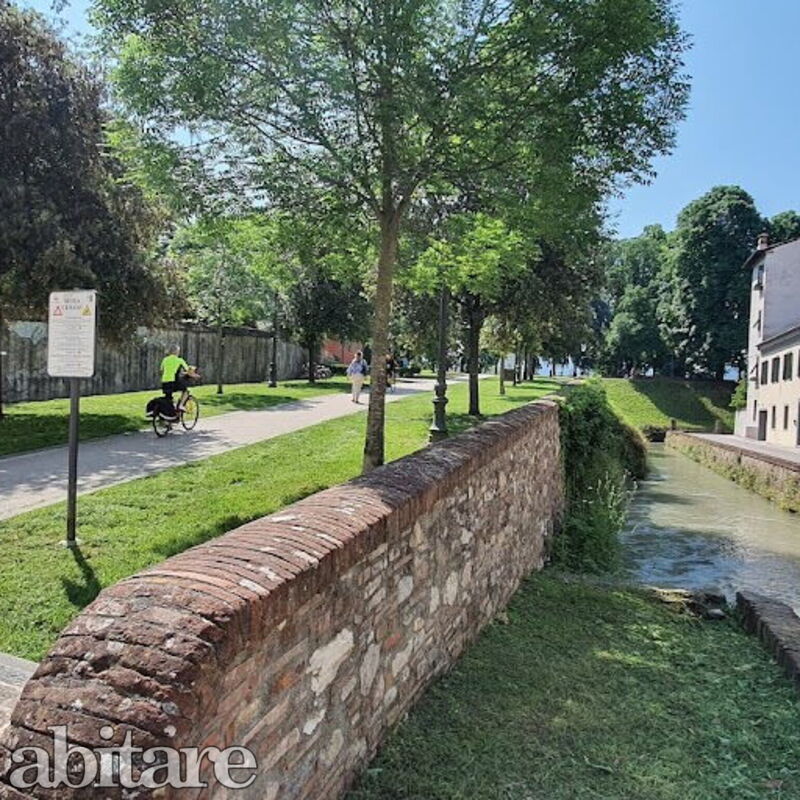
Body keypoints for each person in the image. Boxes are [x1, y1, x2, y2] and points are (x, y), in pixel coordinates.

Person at [160, 344, 194, 418]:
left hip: (164, 382)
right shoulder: (179, 360)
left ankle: (168, 420)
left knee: (168, 399)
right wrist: (194, 374)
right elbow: (189, 370)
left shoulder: (165, 359)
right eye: (178, 351)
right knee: (186, 391)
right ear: (176, 351)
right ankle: (181, 405)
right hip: (173, 382)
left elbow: (162, 370)